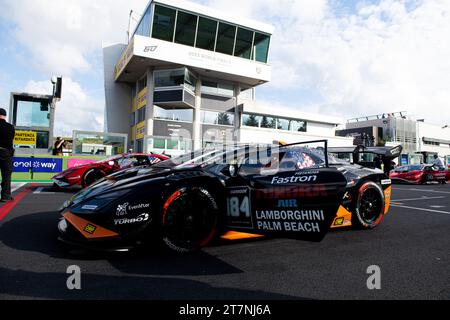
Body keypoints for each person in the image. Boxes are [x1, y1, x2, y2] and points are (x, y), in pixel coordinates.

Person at [0, 108, 15, 202]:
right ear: (5, 116)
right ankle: (5, 196)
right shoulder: (10, 127)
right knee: (6, 175)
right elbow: (11, 139)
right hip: (5, 153)